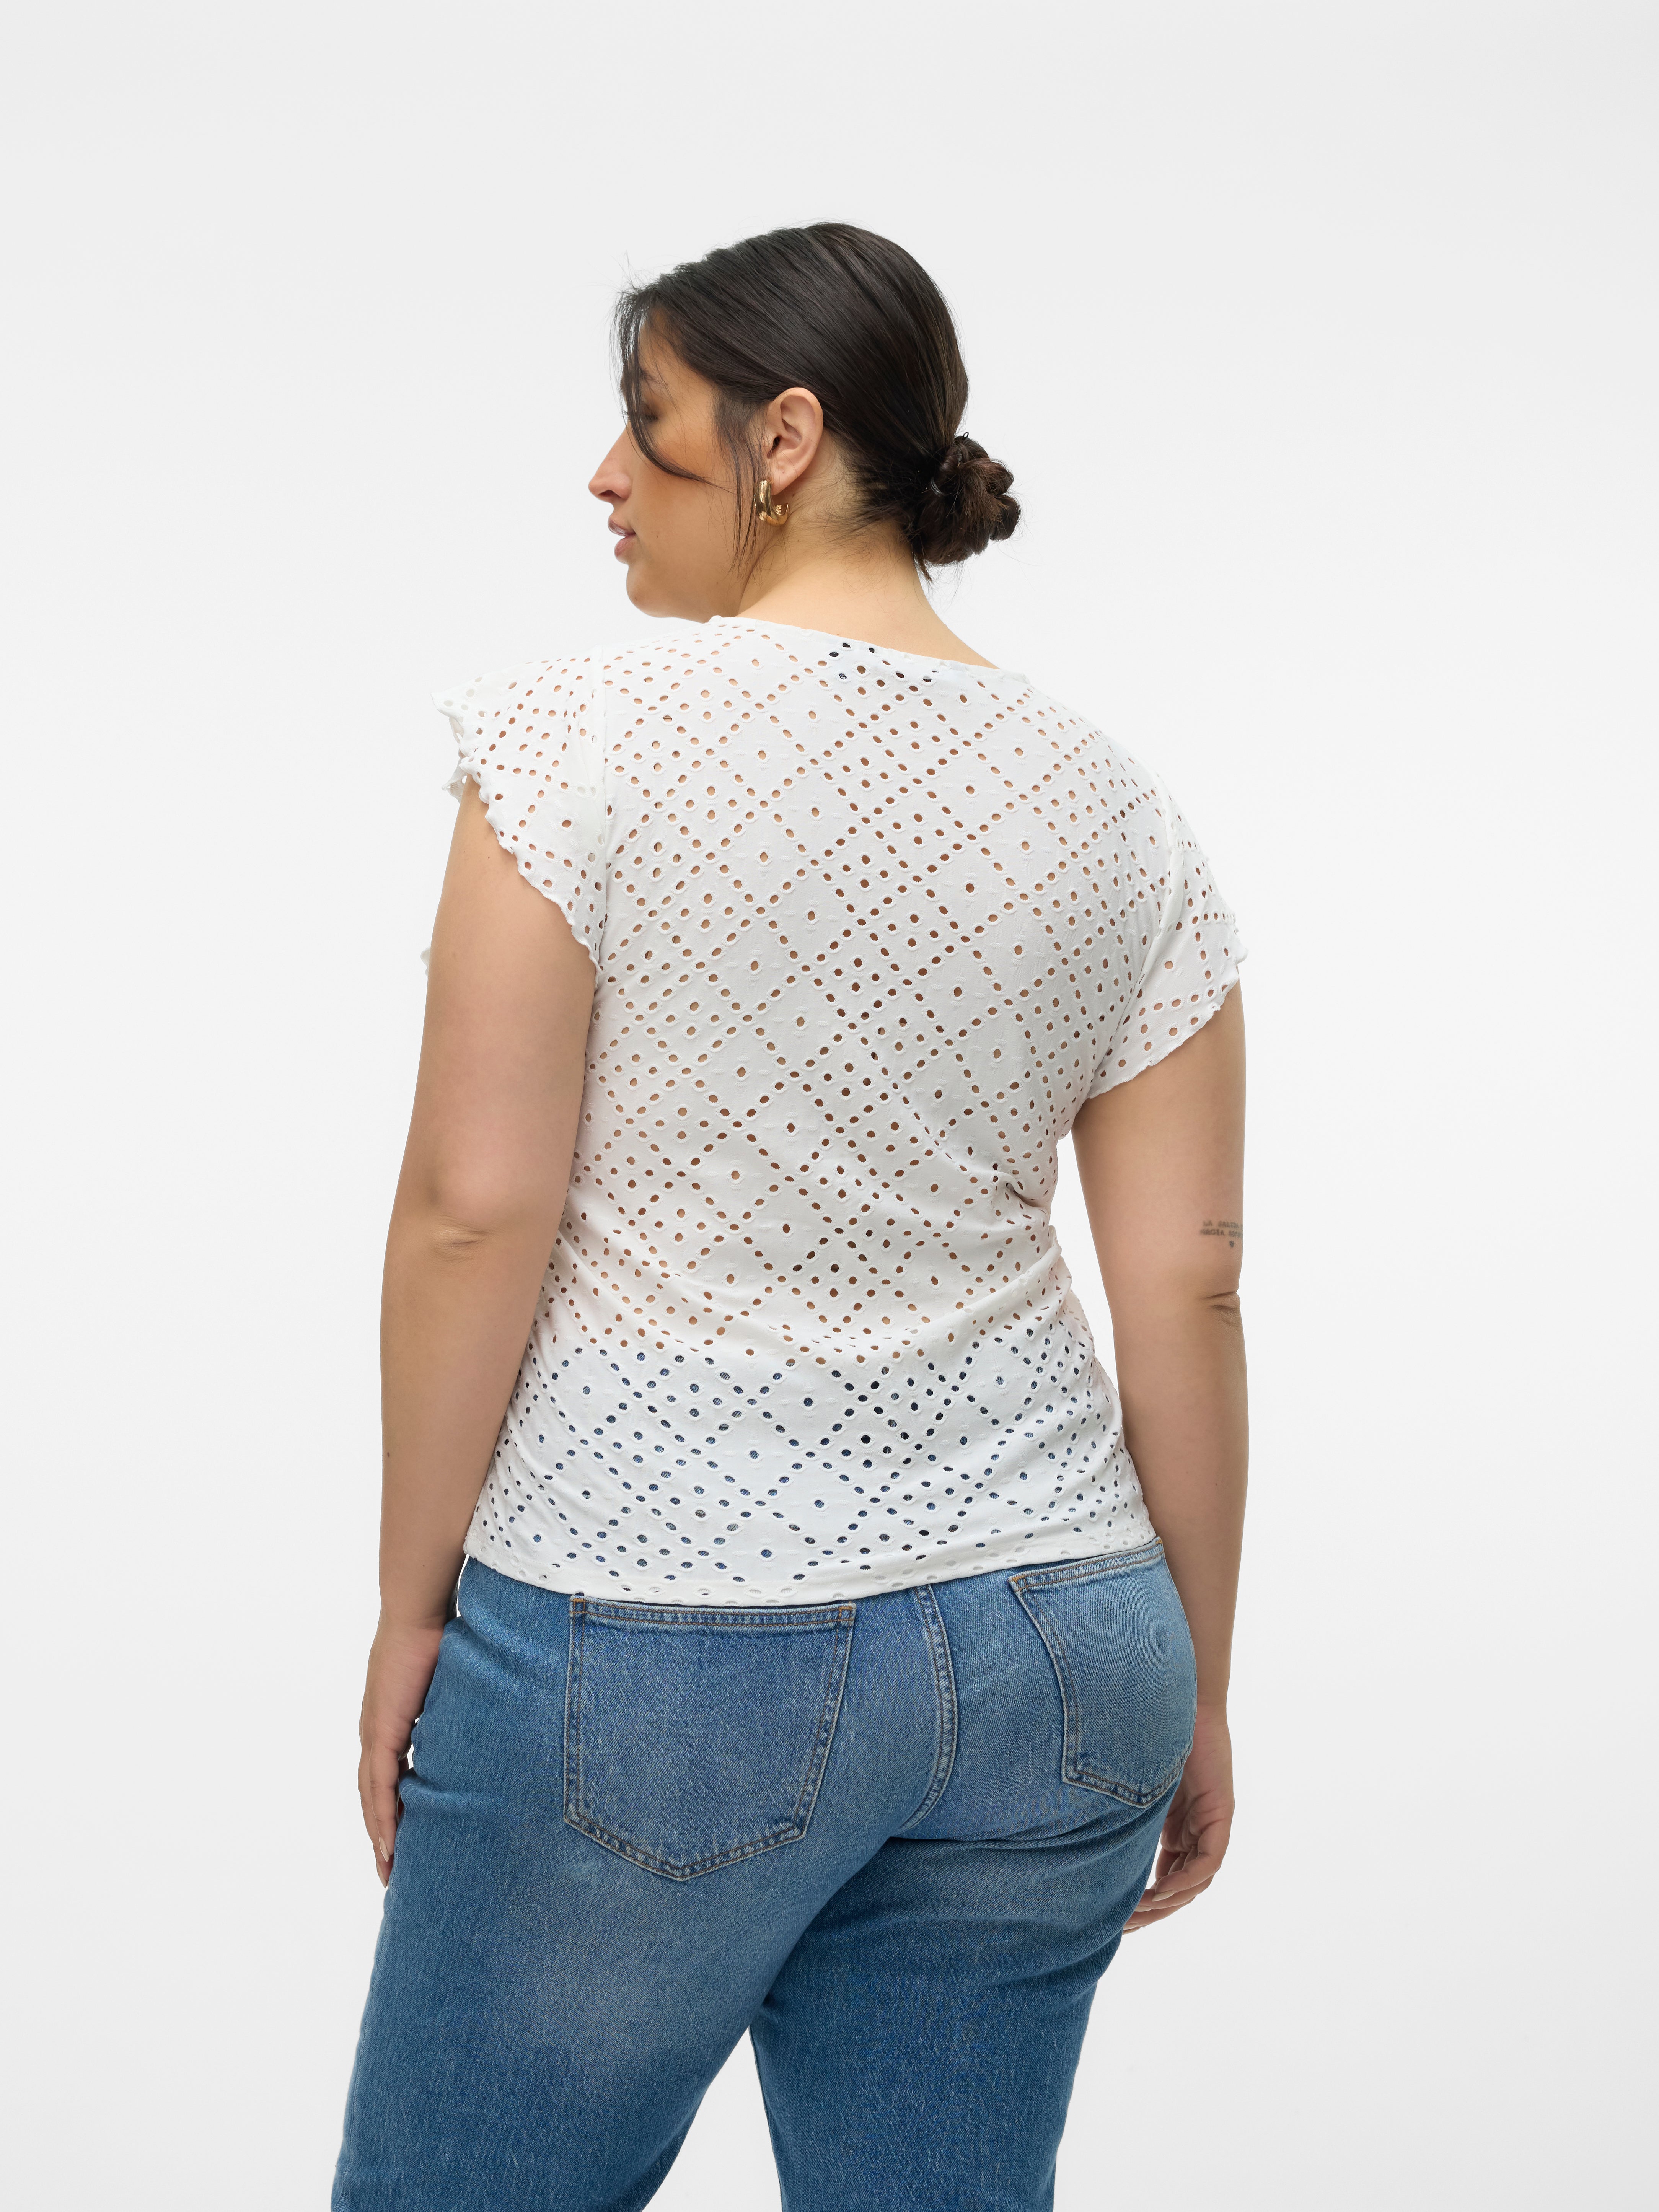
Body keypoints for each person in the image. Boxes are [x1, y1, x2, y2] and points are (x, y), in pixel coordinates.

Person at [333, 221, 1248, 2212]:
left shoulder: (576, 739)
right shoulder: (1122, 812)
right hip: (1067, 1639)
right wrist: (1195, 1671)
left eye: (646, 421)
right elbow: (1189, 1285)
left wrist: (412, 1612)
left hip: (654, 1631)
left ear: (787, 438)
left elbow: (475, 1209)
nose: (603, 475)